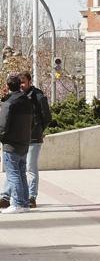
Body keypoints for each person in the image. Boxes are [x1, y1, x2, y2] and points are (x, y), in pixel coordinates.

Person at [0, 74, 35, 215]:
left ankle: (18, 203)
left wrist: (2, 138)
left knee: (13, 174)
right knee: (21, 174)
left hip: (11, 144)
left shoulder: (9, 103)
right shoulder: (27, 101)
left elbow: (3, 125)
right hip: (24, 143)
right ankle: (24, 203)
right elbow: (32, 123)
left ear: (8, 86)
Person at [18, 72, 50, 208]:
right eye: (19, 82)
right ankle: (8, 196)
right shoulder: (18, 95)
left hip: (33, 138)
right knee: (17, 168)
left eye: (23, 82)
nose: (21, 85)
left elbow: (47, 116)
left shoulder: (38, 95)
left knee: (31, 168)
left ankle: (32, 197)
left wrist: (39, 129)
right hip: (20, 139)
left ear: (30, 81)